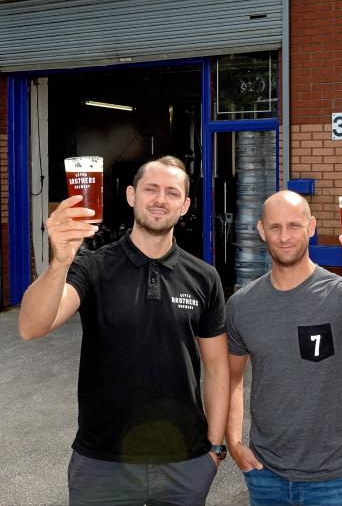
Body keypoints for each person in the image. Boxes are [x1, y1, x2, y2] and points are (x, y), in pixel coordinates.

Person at [18, 156, 230, 506]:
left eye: (171, 192)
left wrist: (215, 448)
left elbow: (218, 367)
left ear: (185, 205)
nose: (160, 199)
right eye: (151, 189)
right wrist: (59, 260)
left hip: (184, 463)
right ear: (131, 195)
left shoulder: (203, 277)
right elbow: (32, 326)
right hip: (102, 463)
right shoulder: (93, 266)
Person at [225, 190, 342, 506]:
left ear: (311, 227)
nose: (285, 237)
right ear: (261, 231)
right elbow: (230, 379)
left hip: (333, 481)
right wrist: (234, 442)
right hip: (265, 477)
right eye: (275, 227)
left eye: (295, 226)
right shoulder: (242, 305)